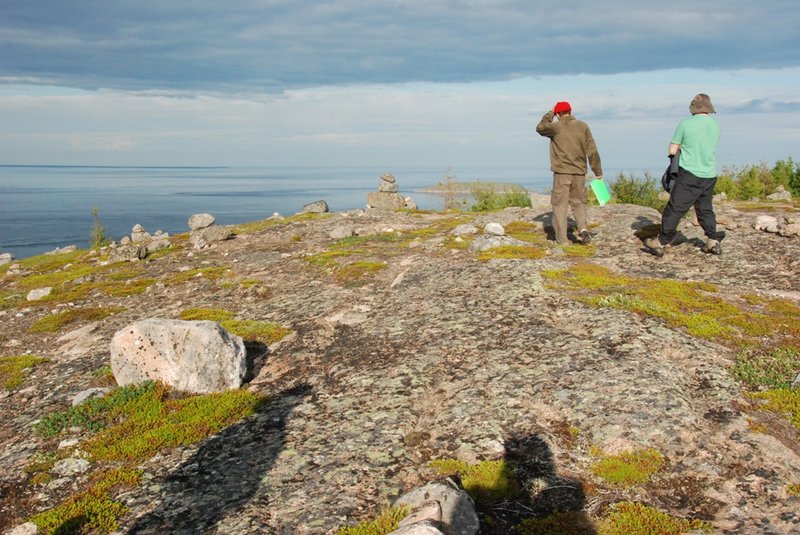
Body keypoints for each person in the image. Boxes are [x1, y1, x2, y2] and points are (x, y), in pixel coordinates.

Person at [645, 93, 724, 257]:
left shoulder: (686, 124)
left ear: (693, 107)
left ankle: (661, 241)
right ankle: (712, 240)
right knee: (705, 208)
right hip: (709, 174)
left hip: (689, 174)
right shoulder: (715, 125)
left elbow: (672, 150)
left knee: (675, 208)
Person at [536, 101, 603, 245]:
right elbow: (592, 150)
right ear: (570, 111)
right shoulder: (583, 126)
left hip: (562, 173)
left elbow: (540, 128)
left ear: (558, 114)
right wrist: (597, 171)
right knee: (578, 203)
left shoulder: (556, 127)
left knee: (560, 206)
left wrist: (550, 113)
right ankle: (583, 229)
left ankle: (563, 240)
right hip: (579, 173)